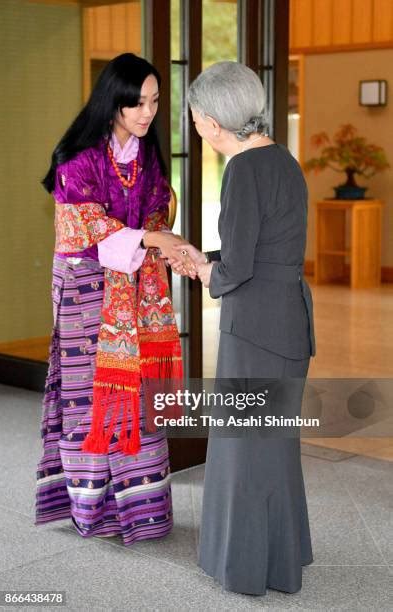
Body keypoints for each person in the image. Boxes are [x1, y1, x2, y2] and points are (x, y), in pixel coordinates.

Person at [171, 61, 316, 595]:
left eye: (194, 118)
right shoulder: (283, 160)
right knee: (272, 444)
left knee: (243, 448)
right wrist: (206, 259)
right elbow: (263, 250)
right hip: (288, 320)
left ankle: (249, 568)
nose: (195, 126)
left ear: (210, 120)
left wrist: (200, 266)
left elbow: (236, 269)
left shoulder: (241, 170)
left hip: (254, 327)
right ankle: (280, 561)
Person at [36, 53, 189, 545]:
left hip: (131, 291)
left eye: (155, 102)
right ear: (113, 102)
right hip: (83, 290)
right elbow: (87, 228)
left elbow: (157, 215)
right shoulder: (76, 161)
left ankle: (144, 512)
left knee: (137, 396)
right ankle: (91, 510)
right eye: (136, 103)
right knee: (91, 400)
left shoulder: (147, 160)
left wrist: (164, 239)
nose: (147, 113)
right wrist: (150, 239)